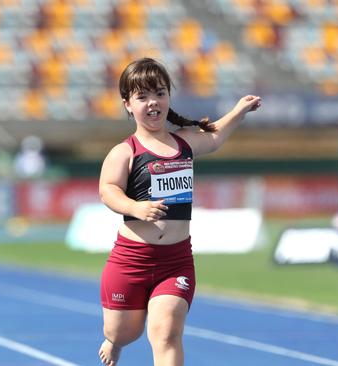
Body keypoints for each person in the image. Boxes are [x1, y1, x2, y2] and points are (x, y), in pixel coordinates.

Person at [98, 57, 261, 366]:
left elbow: (212, 138)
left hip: (175, 261)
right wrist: (135, 207)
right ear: (128, 105)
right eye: (141, 96)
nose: (152, 102)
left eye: (159, 93)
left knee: (166, 333)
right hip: (132, 259)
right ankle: (114, 341)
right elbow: (107, 190)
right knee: (124, 332)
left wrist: (239, 112)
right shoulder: (125, 152)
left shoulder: (183, 143)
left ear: (168, 97)